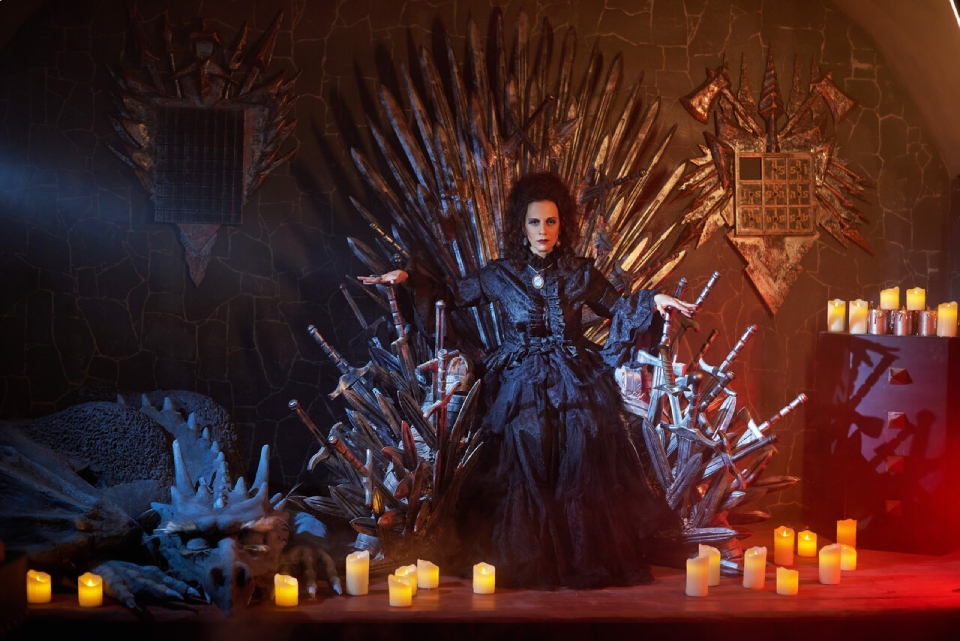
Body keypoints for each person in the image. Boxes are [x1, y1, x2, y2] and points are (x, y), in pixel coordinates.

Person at [361, 172, 694, 589]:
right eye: (535, 222)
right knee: (525, 437)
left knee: (581, 439)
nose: (543, 230)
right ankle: (524, 552)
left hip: (574, 377)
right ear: (522, 225)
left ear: (562, 224)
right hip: (517, 376)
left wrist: (652, 299)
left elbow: (618, 306)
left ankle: (577, 552)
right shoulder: (501, 273)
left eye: (551, 221)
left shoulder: (579, 272)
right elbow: (452, 295)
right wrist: (409, 280)